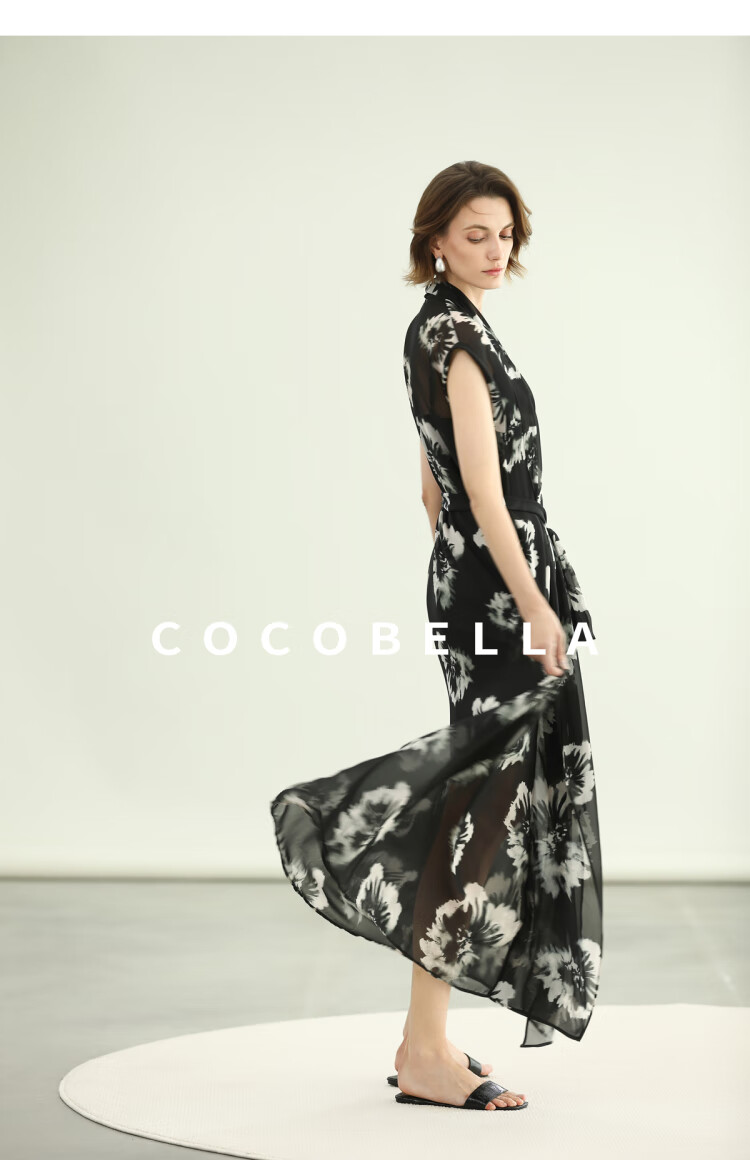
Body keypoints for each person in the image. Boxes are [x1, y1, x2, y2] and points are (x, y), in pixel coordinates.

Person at [270, 160, 603, 1113]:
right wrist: (529, 602)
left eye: (506, 235)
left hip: (477, 582)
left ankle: (427, 1040)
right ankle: (424, 1047)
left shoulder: (442, 327)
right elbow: (483, 492)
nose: (496, 251)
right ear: (435, 243)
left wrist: (465, 575)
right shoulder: (456, 338)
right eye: (475, 236)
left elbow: (432, 489)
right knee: (481, 805)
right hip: (502, 588)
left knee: (483, 797)